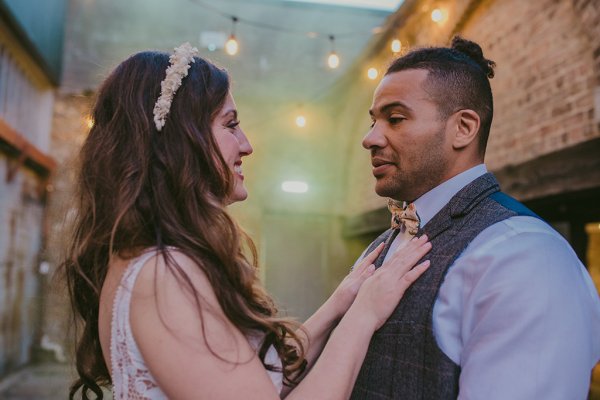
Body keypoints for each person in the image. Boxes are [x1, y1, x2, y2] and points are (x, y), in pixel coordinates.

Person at [62, 42, 432, 400]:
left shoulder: (149, 260)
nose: (247, 144)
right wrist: (364, 316)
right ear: (182, 138)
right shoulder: (164, 275)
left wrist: (342, 301)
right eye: (230, 124)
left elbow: (259, 380)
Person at [351, 35, 600, 399]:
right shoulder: (383, 244)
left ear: (464, 128)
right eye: (374, 121)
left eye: (395, 119)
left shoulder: (523, 256)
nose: (370, 139)